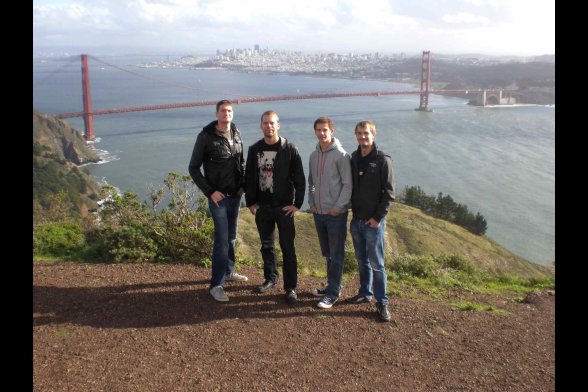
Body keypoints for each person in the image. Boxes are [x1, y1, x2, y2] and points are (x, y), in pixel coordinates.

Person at [188, 99, 248, 302]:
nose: (227, 114)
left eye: (229, 111)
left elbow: (241, 162)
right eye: (223, 111)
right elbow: (193, 168)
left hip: (235, 196)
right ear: (216, 114)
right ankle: (216, 285)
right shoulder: (206, 136)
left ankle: (229, 272)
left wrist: (243, 187)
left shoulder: (236, 133)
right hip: (218, 198)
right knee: (222, 241)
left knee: (231, 237)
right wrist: (210, 192)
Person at [245, 110, 306, 305]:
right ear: (260, 125)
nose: (269, 126)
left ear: (278, 125)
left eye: (272, 123)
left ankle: (291, 288)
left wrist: (297, 204)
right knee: (266, 246)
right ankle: (271, 278)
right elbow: (249, 177)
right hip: (263, 207)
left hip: (283, 207)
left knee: (288, 248)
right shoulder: (254, 149)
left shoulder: (289, 149)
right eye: (265, 123)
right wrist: (251, 202)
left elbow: (301, 179)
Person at [345, 120, 396, 322]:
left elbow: (390, 194)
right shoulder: (354, 158)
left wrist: (377, 219)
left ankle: (382, 302)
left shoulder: (383, 160)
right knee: (362, 261)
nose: (362, 136)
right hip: (356, 220)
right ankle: (365, 293)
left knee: (377, 264)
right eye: (359, 133)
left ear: (373, 134)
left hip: (373, 223)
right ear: (355, 135)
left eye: (366, 133)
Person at [307, 116, 352, 309]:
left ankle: (333, 293)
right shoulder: (313, 155)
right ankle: (333, 285)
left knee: (337, 253)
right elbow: (311, 183)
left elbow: (348, 184)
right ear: (315, 131)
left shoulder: (341, 155)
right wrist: (311, 203)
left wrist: (338, 207)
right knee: (328, 253)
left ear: (331, 131)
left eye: (325, 130)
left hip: (335, 214)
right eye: (318, 130)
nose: (322, 133)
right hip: (319, 212)